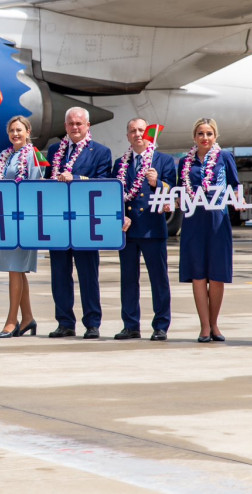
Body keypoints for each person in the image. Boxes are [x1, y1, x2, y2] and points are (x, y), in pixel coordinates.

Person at [0, 112, 44, 338]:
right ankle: (28, 318)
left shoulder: (32, 155)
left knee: (15, 270)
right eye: (12, 131)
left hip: (23, 219)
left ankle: (11, 321)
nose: (15, 134)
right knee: (17, 271)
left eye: (19, 130)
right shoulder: (7, 156)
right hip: (7, 220)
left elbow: (35, 186)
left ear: (28, 133)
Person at [45, 106, 112, 339]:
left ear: (87, 126)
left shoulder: (100, 152)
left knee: (88, 276)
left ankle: (92, 323)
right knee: (60, 276)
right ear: (65, 126)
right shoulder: (54, 151)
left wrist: (77, 178)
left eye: (79, 124)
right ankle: (65, 322)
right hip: (59, 223)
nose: (75, 127)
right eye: (71, 124)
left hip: (86, 222)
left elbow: (103, 182)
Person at [111, 118, 178, 341]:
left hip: (152, 228)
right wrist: (122, 215)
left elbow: (171, 193)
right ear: (128, 136)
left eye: (141, 130)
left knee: (158, 280)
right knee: (128, 280)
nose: (137, 134)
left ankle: (161, 325)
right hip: (128, 229)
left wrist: (156, 183)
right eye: (132, 131)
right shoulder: (120, 163)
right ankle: (130, 325)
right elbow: (113, 194)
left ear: (147, 133)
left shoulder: (163, 160)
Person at [178, 117, 241, 343]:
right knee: (198, 274)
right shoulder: (185, 161)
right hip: (194, 221)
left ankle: (214, 323)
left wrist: (236, 198)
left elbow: (235, 185)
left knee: (216, 275)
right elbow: (180, 190)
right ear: (194, 137)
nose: (205, 138)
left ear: (215, 136)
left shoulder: (224, 158)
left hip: (217, 220)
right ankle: (204, 326)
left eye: (209, 134)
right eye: (200, 134)